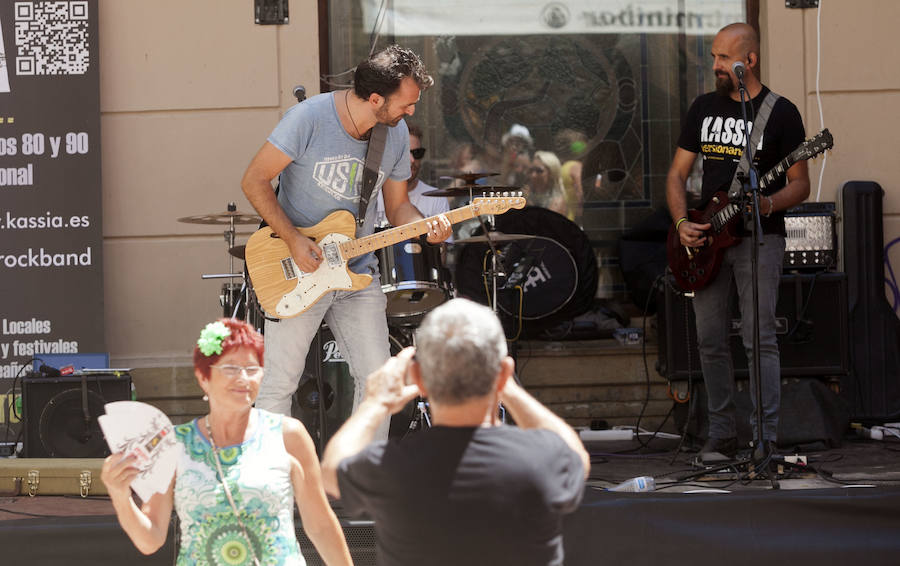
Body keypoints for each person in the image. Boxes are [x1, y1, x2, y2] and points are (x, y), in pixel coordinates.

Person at [240, 45, 453, 439]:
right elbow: (254, 180)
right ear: (375, 99)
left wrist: (428, 226)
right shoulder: (307, 119)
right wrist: (292, 240)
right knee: (279, 385)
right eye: (406, 104)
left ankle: (360, 482)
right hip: (297, 272)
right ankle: (270, 486)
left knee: (378, 383)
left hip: (357, 274)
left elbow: (399, 207)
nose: (410, 113)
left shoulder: (394, 134)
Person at [320, 298, 590, 566]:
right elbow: (577, 455)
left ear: (418, 378)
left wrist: (375, 403)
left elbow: (331, 472)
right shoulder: (541, 460)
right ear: (504, 373)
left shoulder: (393, 467)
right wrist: (503, 383)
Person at [665, 23, 810, 461]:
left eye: (724, 58)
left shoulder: (781, 113)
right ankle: (722, 434)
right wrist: (680, 224)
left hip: (759, 241)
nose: (715, 66)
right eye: (713, 57)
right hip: (708, 239)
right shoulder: (703, 108)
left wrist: (768, 204)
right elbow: (676, 174)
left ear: (750, 61)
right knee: (710, 339)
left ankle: (765, 437)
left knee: (758, 338)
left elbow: (800, 184)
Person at [101, 318, 352, 565]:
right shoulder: (175, 444)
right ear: (203, 377)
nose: (243, 378)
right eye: (230, 368)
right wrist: (120, 495)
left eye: (252, 369)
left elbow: (320, 525)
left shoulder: (288, 435)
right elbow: (151, 539)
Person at [374, 122, 451, 226]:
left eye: (417, 153)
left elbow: (445, 242)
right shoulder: (371, 195)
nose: (412, 160)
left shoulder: (437, 199)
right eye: (404, 153)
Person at [525, 150, 569, 217]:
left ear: (551, 173)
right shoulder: (528, 195)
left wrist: (528, 202)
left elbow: (545, 222)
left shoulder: (558, 201)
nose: (533, 175)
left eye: (539, 171)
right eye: (531, 170)